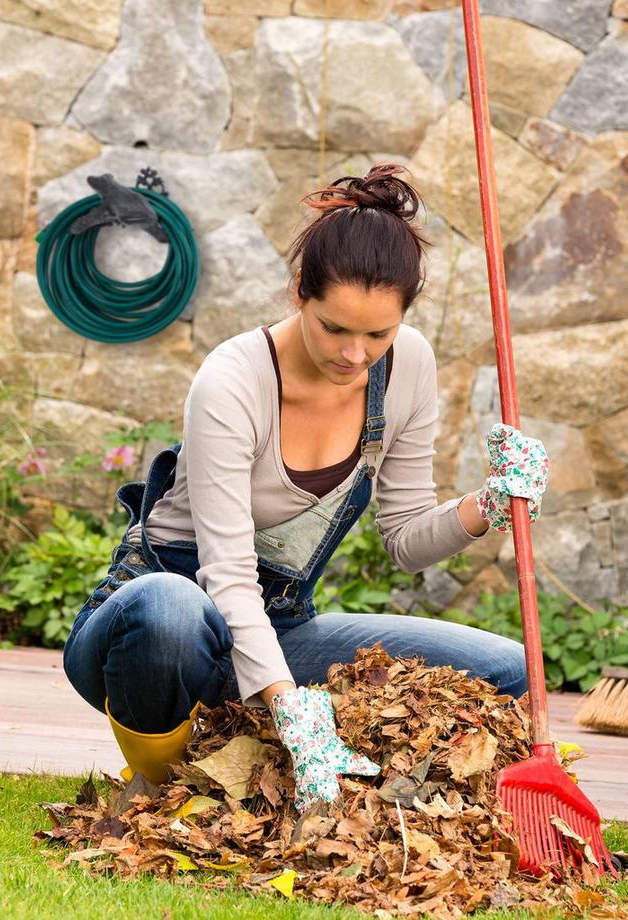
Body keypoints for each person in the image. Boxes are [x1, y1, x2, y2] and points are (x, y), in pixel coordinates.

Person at [63, 164, 550, 813]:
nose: (355, 355)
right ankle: (161, 787)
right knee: (169, 611)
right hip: (152, 632)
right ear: (300, 293)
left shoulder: (408, 367)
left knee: (508, 670)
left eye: (378, 333)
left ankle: (374, 797)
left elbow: (404, 540)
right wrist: (294, 710)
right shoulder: (233, 382)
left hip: (277, 627)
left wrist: (490, 504)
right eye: (335, 328)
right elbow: (227, 578)